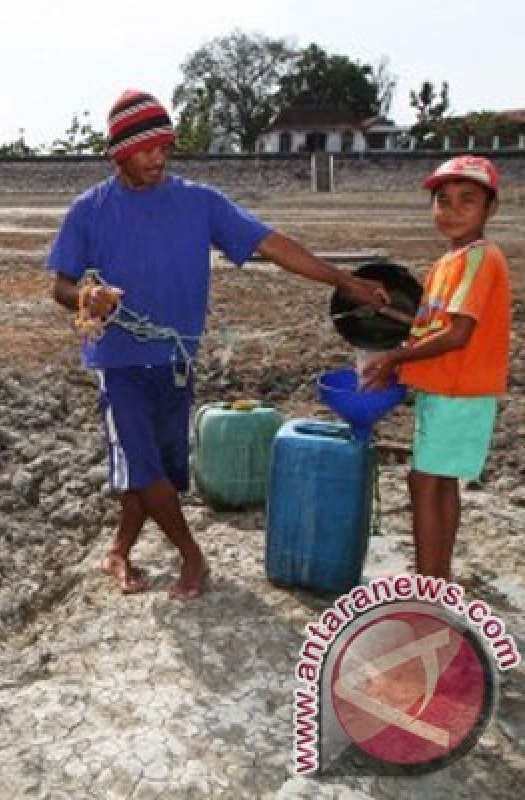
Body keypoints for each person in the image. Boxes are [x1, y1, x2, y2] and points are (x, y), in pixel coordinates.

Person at [46, 89, 389, 599]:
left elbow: (272, 244)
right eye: (145, 149)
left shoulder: (199, 202)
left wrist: (343, 281)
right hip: (118, 360)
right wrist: (88, 297)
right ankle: (193, 556)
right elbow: (60, 285)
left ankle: (118, 550)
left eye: (165, 146)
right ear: (119, 153)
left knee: (157, 469)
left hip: (177, 360)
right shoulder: (89, 210)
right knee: (140, 462)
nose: (158, 157)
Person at [360, 155, 511, 582]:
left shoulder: (480, 258)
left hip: (458, 390)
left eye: (467, 201)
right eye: (443, 201)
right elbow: (432, 326)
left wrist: (395, 358)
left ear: (490, 208)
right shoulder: (447, 262)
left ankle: (428, 583)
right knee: (440, 482)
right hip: (444, 389)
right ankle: (437, 574)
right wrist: (398, 338)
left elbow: (458, 335)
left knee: (423, 483)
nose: (452, 211)